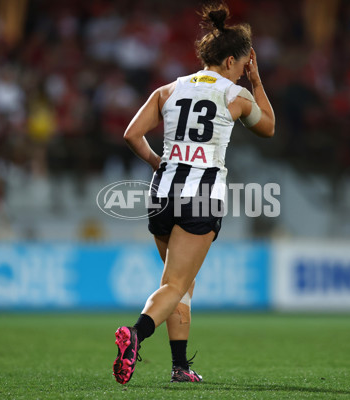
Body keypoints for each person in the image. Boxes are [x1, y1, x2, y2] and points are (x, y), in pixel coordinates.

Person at [112, 1, 275, 385]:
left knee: (178, 282)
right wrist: (257, 81)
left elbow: (131, 135)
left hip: (162, 189)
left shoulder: (168, 89)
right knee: (176, 285)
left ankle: (180, 367)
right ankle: (135, 334)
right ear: (233, 60)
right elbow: (268, 128)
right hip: (201, 193)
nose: (241, 70)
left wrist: (157, 162)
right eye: (241, 64)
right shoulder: (235, 94)